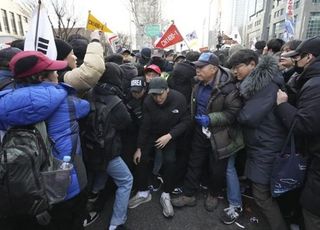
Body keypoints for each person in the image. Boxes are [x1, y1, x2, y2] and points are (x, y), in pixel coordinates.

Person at [0, 51, 89, 230]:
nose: (57, 73)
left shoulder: (5, 106)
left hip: (24, 189)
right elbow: (86, 107)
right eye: (53, 71)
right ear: (42, 77)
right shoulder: (67, 102)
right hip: (66, 186)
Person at [171, 52, 243, 214]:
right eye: (196, 66)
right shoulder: (197, 84)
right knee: (194, 161)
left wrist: (211, 119)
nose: (197, 70)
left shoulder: (229, 88)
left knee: (217, 168)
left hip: (221, 135)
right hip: (199, 131)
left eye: (201, 67)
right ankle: (189, 194)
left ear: (213, 69)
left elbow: (233, 113)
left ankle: (213, 194)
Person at [228, 49, 288, 230]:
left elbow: (248, 116)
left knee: (261, 194)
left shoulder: (266, 85)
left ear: (252, 64)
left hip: (266, 145)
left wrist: (233, 110)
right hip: (261, 143)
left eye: (238, 67)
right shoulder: (255, 84)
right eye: (232, 68)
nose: (234, 71)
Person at [129, 77, 190, 218]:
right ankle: (143, 192)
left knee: (170, 161)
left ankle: (166, 194)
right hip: (152, 133)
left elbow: (187, 121)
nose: (157, 98)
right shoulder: (148, 101)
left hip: (170, 134)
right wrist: (139, 147)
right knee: (141, 158)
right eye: (154, 95)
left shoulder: (179, 99)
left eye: (160, 94)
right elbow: (145, 126)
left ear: (167, 90)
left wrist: (170, 135)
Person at [276, 36, 320, 230]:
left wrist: (283, 105)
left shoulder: (315, 84)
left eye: (297, 56)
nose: (295, 60)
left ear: (309, 57)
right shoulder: (309, 80)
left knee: (312, 213)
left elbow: (304, 124)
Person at [83, 62, 133, 230]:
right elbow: (126, 123)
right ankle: (116, 223)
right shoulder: (115, 100)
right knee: (126, 180)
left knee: (101, 172)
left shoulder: (89, 92)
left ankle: (93, 198)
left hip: (89, 146)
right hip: (108, 149)